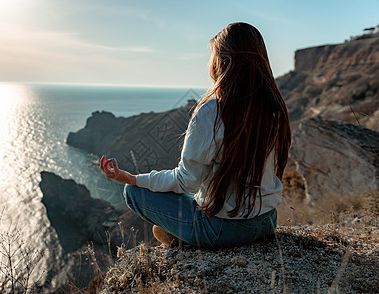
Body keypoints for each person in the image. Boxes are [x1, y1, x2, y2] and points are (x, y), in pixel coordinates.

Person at [100, 22, 291, 248]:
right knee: (197, 197)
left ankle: (184, 234)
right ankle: (182, 232)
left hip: (224, 231)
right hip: (267, 222)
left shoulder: (212, 112)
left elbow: (185, 181)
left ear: (223, 63)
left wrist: (130, 178)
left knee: (132, 192)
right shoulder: (275, 108)